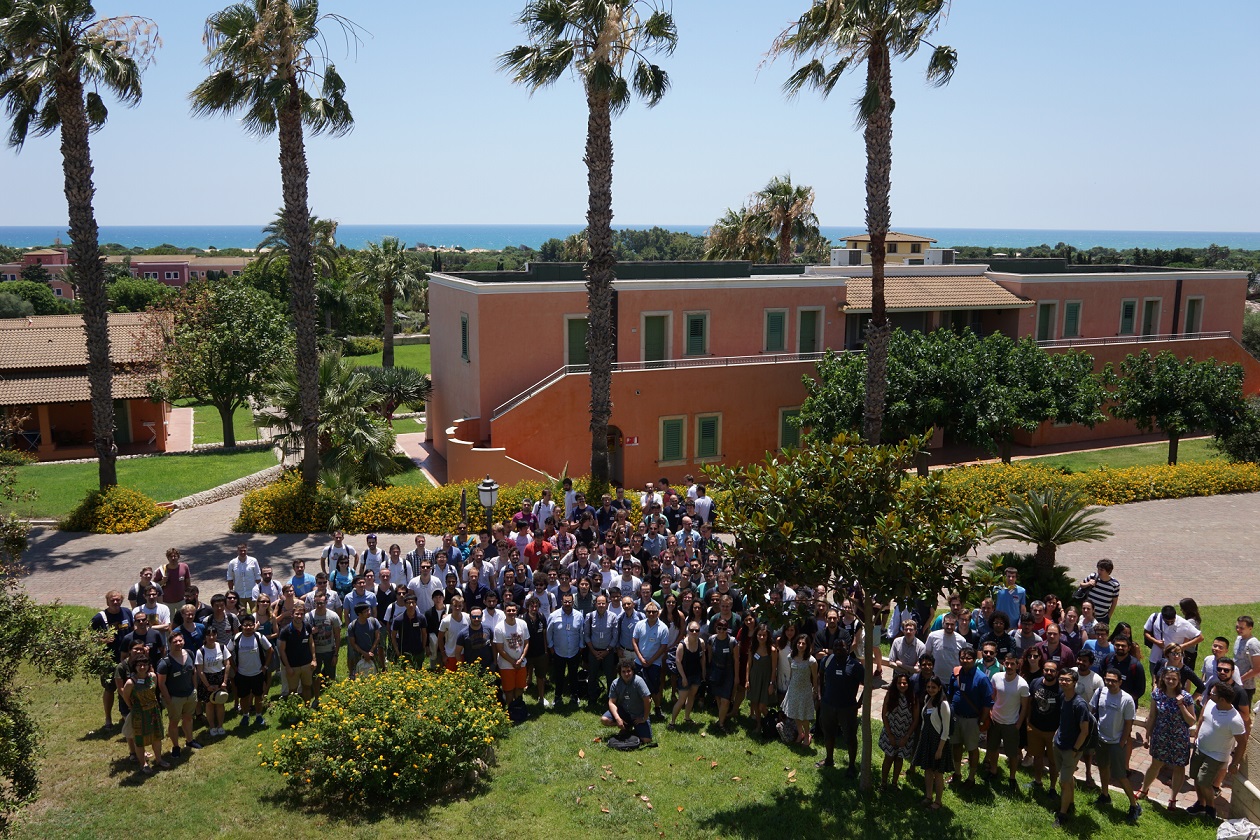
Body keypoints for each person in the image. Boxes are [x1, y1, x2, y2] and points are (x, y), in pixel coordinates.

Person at [1187, 682, 1247, 820]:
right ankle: (1200, 803)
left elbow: (1242, 742)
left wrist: (1234, 763)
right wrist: (1197, 730)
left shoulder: (1234, 720)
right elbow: (1203, 715)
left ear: (1222, 699)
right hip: (1200, 747)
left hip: (1216, 755)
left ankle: (1210, 808)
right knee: (1195, 776)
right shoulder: (1211, 703)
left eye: (1213, 693)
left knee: (1203, 781)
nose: (1209, 694)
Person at [1139, 667, 1195, 812]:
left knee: (1178, 768)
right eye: (1168, 678)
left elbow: (1191, 721)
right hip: (1160, 736)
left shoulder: (1186, 697)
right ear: (1163, 678)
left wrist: (1181, 705)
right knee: (1155, 765)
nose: (1171, 681)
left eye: (1174, 679)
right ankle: (1144, 789)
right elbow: (1152, 716)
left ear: (1179, 680)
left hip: (1179, 739)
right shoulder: (1157, 694)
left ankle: (1173, 798)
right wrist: (1147, 736)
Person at [1092, 668, 1141, 822]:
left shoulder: (1126, 699)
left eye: (1114, 680)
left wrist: (1121, 743)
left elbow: (1128, 723)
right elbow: (1093, 712)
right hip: (1101, 740)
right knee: (1103, 768)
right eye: (1108, 680)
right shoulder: (1100, 692)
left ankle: (1134, 805)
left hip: (1116, 743)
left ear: (1120, 682)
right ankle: (1104, 795)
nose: (1110, 683)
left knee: (1120, 776)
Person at [1052, 669, 1094, 828]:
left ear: (1075, 683)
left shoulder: (1080, 704)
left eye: (1067, 680)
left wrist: (1076, 749)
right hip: (1058, 743)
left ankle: (1062, 814)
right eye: (1061, 679)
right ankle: (1070, 802)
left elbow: (1085, 731)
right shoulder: (1063, 696)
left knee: (1063, 781)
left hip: (1071, 749)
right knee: (1067, 779)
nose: (1063, 682)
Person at [817, 636, 864, 774]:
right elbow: (820, 676)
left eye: (841, 646)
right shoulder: (827, 660)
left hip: (847, 708)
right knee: (828, 734)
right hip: (828, 705)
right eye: (836, 646)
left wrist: (859, 702)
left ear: (848, 649)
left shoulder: (855, 666)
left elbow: (867, 685)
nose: (838, 649)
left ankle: (851, 766)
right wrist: (819, 695)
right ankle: (829, 759)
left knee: (850, 737)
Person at [947, 646, 992, 785]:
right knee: (956, 745)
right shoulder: (956, 673)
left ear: (974, 660)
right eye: (962, 658)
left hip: (972, 720)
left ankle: (971, 777)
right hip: (956, 717)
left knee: (972, 748)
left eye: (968, 658)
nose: (965, 660)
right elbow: (950, 694)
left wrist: (981, 721)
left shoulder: (982, 678)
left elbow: (987, 702)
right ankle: (957, 773)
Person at [986, 651, 1030, 792]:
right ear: (1003, 663)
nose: (1009, 666)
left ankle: (1012, 777)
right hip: (995, 721)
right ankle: (993, 770)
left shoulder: (1022, 685)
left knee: (1012, 754)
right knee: (992, 749)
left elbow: (1024, 707)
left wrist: (1019, 723)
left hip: (1011, 724)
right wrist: (990, 712)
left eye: (1012, 664)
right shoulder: (996, 677)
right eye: (1007, 663)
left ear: (1018, 665)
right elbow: (992, 696)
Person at [90, 590, 133, 732]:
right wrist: (103, 640)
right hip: (109, 660)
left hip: (126, 659)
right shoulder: (99, 618)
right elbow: (88, 638)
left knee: (127, 688)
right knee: (110, 688)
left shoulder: (127, 613)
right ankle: (108, 718)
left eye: (118, 599)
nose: (115, 602)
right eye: (112, 600)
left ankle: (125, 714)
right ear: (107, 601)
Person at [156, 630, 200, 758]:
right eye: (175, 642)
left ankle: (190, 741)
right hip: (174, 698)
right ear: (170, 644)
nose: (178, 643)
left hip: (190, 694)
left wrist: (195, 688)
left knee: (188, 718)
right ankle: (175, 746)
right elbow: (161, 683)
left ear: (184, 641)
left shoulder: (190, 654)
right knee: (174, 723)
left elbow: (194, 672)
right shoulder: (165, 662)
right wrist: (168, 699)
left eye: (180, 640)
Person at [121, 657, 167, 773]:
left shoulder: (153, 676)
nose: (142, 667)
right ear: (134, 667)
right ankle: (143, 764)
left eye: (145, 664)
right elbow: (126, 696)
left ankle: (159, 760)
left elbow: (154, 690)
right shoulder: (131, 682)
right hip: (139, 713)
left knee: (156, 736)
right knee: (140, 739)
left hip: (153, 711)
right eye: (139, 665)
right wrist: (132, 707)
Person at [912, 675, 952, 810]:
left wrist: (940, 749)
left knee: (937, 773)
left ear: (940, 688)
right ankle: (928, 796)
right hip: (926, 739)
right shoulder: (927, 699)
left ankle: (938, 801)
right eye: (928, 687)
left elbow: (945, 730)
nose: (930, 689)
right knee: (927, 770)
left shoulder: (943, 704)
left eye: (934, 687)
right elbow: (924, 721)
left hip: (938, 741)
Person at [602, 662, 656, 746]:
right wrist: (618, 719)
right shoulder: (615, 683)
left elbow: (647, 700)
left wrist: (644, 718)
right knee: (604, 719)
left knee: (646, 740)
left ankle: (631, 729)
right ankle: (626, 726)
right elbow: (611, 702)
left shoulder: (639, 681)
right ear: (620, 672)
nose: (626, 674)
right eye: (623, 671)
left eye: (628, 671)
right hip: (623, 712)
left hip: (638, 714)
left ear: (633, 671)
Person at [1027, 660, 1062, 793]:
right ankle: (1037, 781)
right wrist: (1028, 722)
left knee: (1053, 762)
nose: (1049, 673)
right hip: (1035, 728)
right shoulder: (1035, 683)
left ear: (1056, 673)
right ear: (1043, 670)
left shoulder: (1060, 689)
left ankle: (1052, 787)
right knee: (1037, 757)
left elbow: (1063, 711)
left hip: (1052, 732)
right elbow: (1030, 703)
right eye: (1047, 670)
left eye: (1052, 670)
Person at [632, 601, 671, 719]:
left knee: (655, 688)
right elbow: (634, 641)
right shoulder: (639, 624)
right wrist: (640, 657)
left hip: (655, 663)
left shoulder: (663, 628)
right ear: (645, 613)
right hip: (639, 662)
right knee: (638, 686)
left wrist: (651, 660)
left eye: (654, 612)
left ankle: (657, 708)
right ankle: (640, 709)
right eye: (649, 612)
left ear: (658, 613)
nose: (651, 614)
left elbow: (663, 647)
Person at [879, 672, 918, 788]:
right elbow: (884, 715)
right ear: (895, 684)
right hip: (890, 731)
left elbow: (915, 719)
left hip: (905, 734)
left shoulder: (913, 697)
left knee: (899, 758)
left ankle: (894, 783)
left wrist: (906, 737)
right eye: (899, 683)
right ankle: (883, 782)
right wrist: (890, 735)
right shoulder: (890, 695)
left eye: (904, 683)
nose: (902, 685)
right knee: (889, 757)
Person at [232, 613, 272, 727]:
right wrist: (235, 668)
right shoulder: (236, 638)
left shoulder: (259, 637)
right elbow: (228, 653)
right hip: (242, 674)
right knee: (243, 697)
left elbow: (270, 650)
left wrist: (265, 667)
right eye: (245, 625)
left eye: (250, 625)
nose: (248, 627)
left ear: (254, 625)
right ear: (242, 626)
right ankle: (245, 716)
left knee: (258, 696)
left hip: (257, 673)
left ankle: (259, 716)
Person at [1144, 604, 1203, 678]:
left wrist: (1183, 646)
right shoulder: (1154, 617)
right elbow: (1146, 632)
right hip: (1156, 658)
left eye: (1172, 621)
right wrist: (1156, 642)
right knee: (1155, 682)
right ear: (1162, 616)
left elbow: (1200, 637)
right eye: (1167, 622)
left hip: (1175, 661)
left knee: (1173, 684)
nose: (1169, 623)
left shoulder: (1184, 624)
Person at [781, 633, 819, 746]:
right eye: (799, 643)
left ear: (807, 646)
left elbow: (814, 676)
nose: (801, 645)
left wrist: (815, 690)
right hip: (793, 689)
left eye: (803, 643)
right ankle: (800, 733)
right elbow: (792, 673)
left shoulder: (811, 661)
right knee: (795, 713)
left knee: (804, 715)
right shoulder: (790, 657)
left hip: (805, 690)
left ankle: (807, 735)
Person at [547, 593, 584, 707]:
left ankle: (574, 696)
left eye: (569, 602)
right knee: (559, 676)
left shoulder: (579, 616)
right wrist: (551, 648)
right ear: (561, 602)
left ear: (573, 602)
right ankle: (557, 697)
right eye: (565, 602)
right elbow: (549, 633)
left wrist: (581, 647)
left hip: (574, 651)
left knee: (573, 675)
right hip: (559, 652)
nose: (567, 604)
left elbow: (581, 632)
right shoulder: (553, 616)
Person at [195, 624, 232, 737]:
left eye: (213, 635)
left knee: (220, 702)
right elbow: (200, 671)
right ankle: (212, 727)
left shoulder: (221, 647)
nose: (211, 637)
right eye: (209, 635)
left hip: (220, 677)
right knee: (210, 704)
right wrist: (207, 686)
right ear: (205, 636)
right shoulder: (200, 651)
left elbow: (227, 664)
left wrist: (224, 681)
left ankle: (220, 725)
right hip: (207, 678)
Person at [278, 603, 316, 703]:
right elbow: (282, 650)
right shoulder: (285, 631)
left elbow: (311, 643)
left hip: (306, 664)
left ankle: (307, 709)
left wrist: (314, 659)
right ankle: (293, 713)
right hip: (292, 666)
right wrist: (288, 667)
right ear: (292, 614)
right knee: (292, 691)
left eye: (302, 614)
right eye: (297, 614)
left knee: (307, 687)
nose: (299, 616)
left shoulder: (307, 626)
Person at [307, 591, 342, 696]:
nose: (319, 605)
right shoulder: (308, 617)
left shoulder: (333, 616)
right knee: (315, 676)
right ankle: (316, 696)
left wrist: (336, 654)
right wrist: (310, 632)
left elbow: (337, 636)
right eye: (317, 603)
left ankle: (331, 695)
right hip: (315, 652)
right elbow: (304, 636)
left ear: (326, 602)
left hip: (329, 651)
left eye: (321, 603)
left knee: (330, 676)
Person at [494, 603, 529, 703]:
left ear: (516, 611)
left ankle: (518, 708)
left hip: (521, 663)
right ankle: (510, 710)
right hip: (506, 665)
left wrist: (521, 659)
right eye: (509, 610)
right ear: (504, 611)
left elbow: (526, 643)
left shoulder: (522, 624)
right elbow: (500, 649)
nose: (511, 612)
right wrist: (513, 662)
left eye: (513, 610)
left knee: (520, 688)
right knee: (508, 690)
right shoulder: (499, 628)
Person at [708, 618, 737, 731]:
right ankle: (722, 716)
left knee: (726, 699)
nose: (721, 631)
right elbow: (710, 656)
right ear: (716, 628)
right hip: (715, 670)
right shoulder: (711, 640)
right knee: (718, 697)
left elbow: (736, 660)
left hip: (728, 672)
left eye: (724, 629)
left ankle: (720, 724)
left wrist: (737, 677)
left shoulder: (732, 642)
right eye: (719, 628)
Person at [1076, 558, 1120, 623]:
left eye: (1101, 570)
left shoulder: (1114, 584)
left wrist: (1108, 616)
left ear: (1108, 571)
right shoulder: (1093, 576)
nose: (1099, 571)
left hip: (1102, 617)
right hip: (1088, 615)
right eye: (1098, 569)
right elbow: (1081, 585)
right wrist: (1088, 583)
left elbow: (1114, 602)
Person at [346, 602, 382, 678]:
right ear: (359, 614)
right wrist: (364, 654)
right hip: (359, 656)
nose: (369, 612)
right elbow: (353, 643)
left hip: (373, 655)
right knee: (360, 676)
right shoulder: (352, 626)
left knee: (375, 675)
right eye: (366, 611)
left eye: (369, 610)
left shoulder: (374, 621)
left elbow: (377, 637)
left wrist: (370, 652)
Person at [1235, 615, 1260, 705]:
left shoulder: (1253, 644)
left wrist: (1240, 680)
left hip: (1246, 687)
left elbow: (1257, 668)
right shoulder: (1239, 639)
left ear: (1250, 628)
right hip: (1236, 683)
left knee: (1243, 714)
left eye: (1242, 628)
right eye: (1237, 627)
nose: (1238, 630)